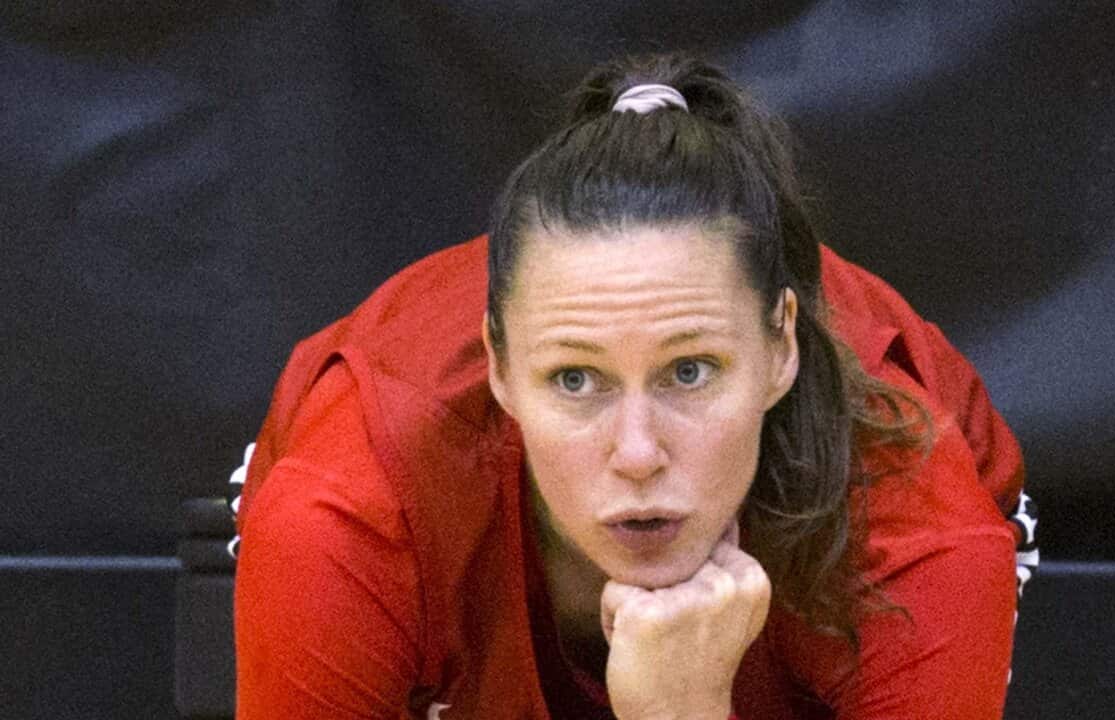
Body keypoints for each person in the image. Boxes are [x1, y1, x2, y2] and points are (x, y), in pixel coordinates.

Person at [233, 53, 1032, 719]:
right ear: (502, 370)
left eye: (690, 371)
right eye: (576, 379)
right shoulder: (352, 512)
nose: (639, 453)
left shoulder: (913, 531)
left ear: (781, 350)